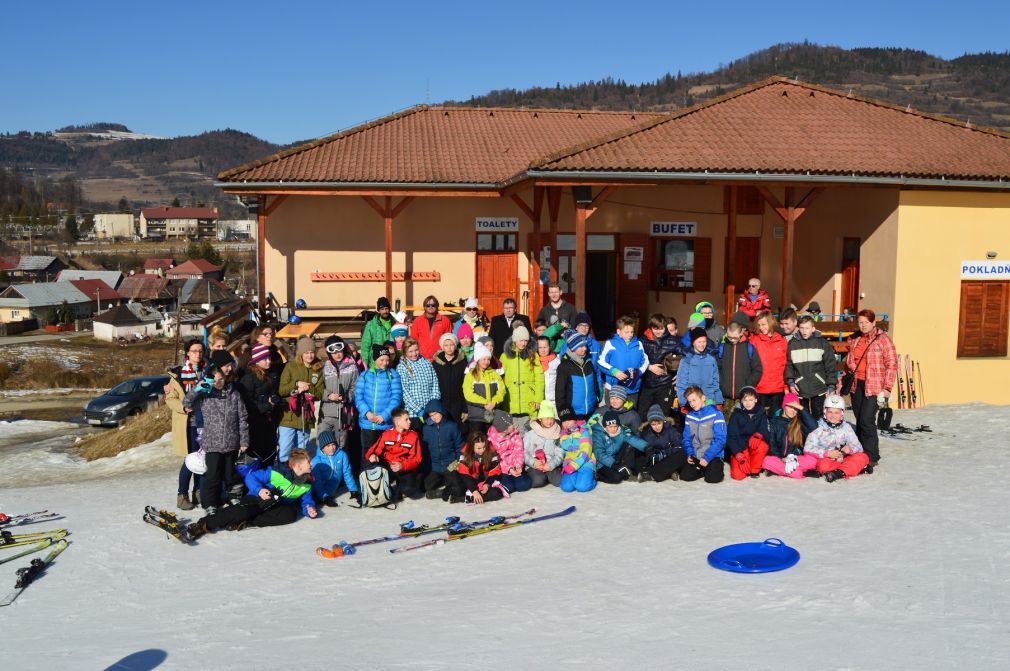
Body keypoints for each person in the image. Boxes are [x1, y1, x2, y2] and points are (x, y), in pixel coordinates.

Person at [186, 448, 318, 538]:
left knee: (290, 515)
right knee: (243, 511)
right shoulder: (277, 473)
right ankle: (202, 524)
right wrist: (259, 490)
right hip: (256, 499)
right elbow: (251, 477)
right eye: (308, 462)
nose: (310, 464)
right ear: (298, 465)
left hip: (274, 506)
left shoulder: (306, 483)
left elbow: (306, 500)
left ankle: (246, 522)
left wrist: (309, 508)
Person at [184, 350, 249, 514]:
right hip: (212, 443)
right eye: (215, 380)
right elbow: (187, 401)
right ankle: (210, 503)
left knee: (230, 473)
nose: (219, 382)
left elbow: (242, 417)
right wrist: (200, 388)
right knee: (212, 475)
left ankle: (233, 496)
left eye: (221, 379)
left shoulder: (233, 393)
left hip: (231, 441)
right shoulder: (206, 394)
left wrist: (244, 440)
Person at [844, 309, 897, 467]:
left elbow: (892, 364)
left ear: (874, 323)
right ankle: (861, 452)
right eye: (860, 322)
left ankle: (872, 455)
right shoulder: (854, 339)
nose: (863, 325)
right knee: (860, 419)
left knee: (867, 419)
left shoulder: (883, 340)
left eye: (866, 322)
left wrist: (887, 388)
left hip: (874, 386)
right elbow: (849, 365)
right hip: (857, 385)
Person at [166, 338, 204, 510]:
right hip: (188, 423)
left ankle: (199, 491)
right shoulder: (179, 374)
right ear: (188, 353)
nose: (198, 354)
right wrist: (183, 407)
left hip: (207, 422)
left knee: (203, 458)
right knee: (190, 459)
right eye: (194, 351)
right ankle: (182, 495)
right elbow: (170, 399)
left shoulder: (206, 372)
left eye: (200, 351)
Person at [354, 344, 403, 468]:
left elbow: (396, 398)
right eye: (382, 360)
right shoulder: (365, 375)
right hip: (368, 423)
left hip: (385, 423)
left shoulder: (393, 375)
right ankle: (368, 480)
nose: (385, 363)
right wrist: (367, 412)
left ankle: (385, 480)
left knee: (386, 453)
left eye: (387, 360)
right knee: (368, 452)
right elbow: (358, 396)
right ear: (375, 359)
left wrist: (385, 415)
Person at [277, 336, 324, 462]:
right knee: (285, 451)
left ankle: (299, 479)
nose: (309, 356)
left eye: (312, 352)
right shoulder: (291, 366)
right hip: (288, 417)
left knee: (301, 453)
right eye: (306, 353)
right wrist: (296, 384)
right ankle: (282, 477)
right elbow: (282, 390)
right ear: (301, 353)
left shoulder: (318, 369)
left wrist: (309, 390)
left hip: (306, 418)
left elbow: (319, 393)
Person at [803, 395, 870, 482]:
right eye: (830, 412)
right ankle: (853, 470)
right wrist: (827, 454)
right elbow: (807, 448)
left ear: (842, 413)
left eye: (836, 413)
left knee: (863, 457)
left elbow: (858, 447)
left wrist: (849, 449)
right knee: (823, 465)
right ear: (825, 412)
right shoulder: (817, 427)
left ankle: (838, 473)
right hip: (826, 459)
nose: (833, 415)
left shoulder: (846, 427)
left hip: (843, 458)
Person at [237, 342, 282, 466]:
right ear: (257, 361)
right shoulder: (248, 378)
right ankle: (255, 482)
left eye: (269, 358)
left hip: (269, 421)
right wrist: (268, 405)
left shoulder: (270, 375)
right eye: (265, 359)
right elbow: (247, 404)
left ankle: (269, 479)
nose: (268, 361)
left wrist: (276, 401)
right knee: (258, 455)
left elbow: (273, 394)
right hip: (255, 424)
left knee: (270, 452)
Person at [785, 315, 838, 419]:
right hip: (800, 387)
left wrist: (831, 385)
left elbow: (830, 365)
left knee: (818, 418)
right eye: (801, 328)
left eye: (807, 328)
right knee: (803, 418)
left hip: (818, 387)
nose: (804, 331)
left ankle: (818, 435)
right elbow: (789, 365)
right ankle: (804, 436)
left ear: (813, 328)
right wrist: (790, 382)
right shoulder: (792, 344)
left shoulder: (822, 343)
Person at [364, 408, 424, 500]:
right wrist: (372, 455)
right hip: (389, 465)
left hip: (403, 467)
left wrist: (402, 465)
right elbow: (374, 449)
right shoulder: (387, 434)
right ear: (397, 421)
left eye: (409, 419)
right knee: (372, 462)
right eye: (406, 419)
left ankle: (402, 487)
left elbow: (416, 459)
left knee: (410, 489)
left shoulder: (413, 436)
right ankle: (384, 488)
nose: (410, 422)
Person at [317, 335, 359, 462]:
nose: (337, 355)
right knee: (322, 444)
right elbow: (318, 388)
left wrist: (347, 396)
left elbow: (356, 387)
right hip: (327, 414)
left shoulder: (352, 366)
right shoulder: (324, 367)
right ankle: (321, 473)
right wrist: (328, 395)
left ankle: (339, 476)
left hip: (343, 414)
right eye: (334, 352)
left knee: (340, 445)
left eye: (339, 351)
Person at [763, 393, 819, 479]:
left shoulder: (799, 422)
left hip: (796, 458)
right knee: (765, 461)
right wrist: (782, 458)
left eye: (796, 409)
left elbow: (814, 427)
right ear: (784, 406)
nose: (793, 411)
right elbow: (772, 444)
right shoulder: (774, 422)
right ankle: (801, 472)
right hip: (779, 458)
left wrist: (802, 408)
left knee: (813, 461)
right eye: (790, 407)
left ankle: (780, 470)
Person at [638, 313, 682, 419]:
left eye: (661, 328)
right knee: (642, 414)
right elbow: (635, 359)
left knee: (664, 415)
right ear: (651, 327)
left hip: (665, 383)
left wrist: (681, 375)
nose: (658, 331)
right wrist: (649, 366)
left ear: (665, 327)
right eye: (655, 328)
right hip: (647, 383)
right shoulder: (642, 340)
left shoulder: (673, 340)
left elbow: (686, 358)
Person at [421, 399, 465, 502]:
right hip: (434, 466)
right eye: (431, 415)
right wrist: (426, 467)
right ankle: (443, 482)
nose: (434, 417)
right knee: (424, 486)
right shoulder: (426, 428)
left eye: (435, 414)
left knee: (458, 486)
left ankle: (442, 491)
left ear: (441, 411)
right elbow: (424, 449)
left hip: (450, 465)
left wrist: (457, 463)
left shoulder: (452, 426)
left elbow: (460, 447)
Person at [681, 386, 727, 483]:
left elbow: (720, 440)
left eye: (694, 400)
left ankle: (713, 467)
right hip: (696, 454)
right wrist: (690, 453)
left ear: (703, 398)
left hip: (713, 455)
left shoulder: (716, 414)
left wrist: (707, 458)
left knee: (713, 478)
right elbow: (686, 438)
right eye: (690, 401)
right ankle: (702, 470)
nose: (692, 404)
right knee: (685, 476)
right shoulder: (690, 416)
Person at [598, 315, 648, 404]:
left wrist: (639, 372)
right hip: (614, 389)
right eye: (626, 332)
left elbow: (645, 361)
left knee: (630, 416)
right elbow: (601, 362)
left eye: (632, 332)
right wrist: (614, 371)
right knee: (613, 416)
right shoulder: (610, 343)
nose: (630, 334)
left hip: (632, 389)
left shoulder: (638, 344)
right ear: (618, 331)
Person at [501, 325, 544, 427]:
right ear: (515, 340)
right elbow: (500, 378)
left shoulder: (533, 355)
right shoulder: (505, 356)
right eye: (521, 340)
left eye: (526, 340)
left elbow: (539, 378)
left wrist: (538, 399)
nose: (523, 343)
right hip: (510, 398)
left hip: (529, 399)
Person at [590, 410, 649, 484]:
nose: (613, 429)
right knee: (617, 478)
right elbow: (600, 454)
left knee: (630, 445)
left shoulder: (621, 430)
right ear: (605, 426)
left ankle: (630, 469)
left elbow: (632, 439)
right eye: (610, 427)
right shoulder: (598, 434)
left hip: (616, 458)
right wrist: (614, 464)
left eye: (615, 426)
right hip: (602, 463)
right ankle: (598, 476)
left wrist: (647, 447)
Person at [725, 387, 771, 480]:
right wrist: (738, 454)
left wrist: (759, 435)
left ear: (756, 400)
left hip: (754, 445)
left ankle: (755, 469)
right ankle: (744, 459)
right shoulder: (736, 414)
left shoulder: (761, 412)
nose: (748, 403)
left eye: (751, 399)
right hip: (740, 448)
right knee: (738, 476)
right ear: (741, 401)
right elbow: (731, 437)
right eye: (745, 400)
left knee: (763, 445)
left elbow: (767, 431)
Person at [717, 321, 762, 416]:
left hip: (743, 397)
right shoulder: (723, 348)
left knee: (742, 425)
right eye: (729, 337)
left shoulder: (749, 348)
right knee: (725, 425)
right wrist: (721, 384)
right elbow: (716, 369)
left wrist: (748, 385)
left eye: (735, 337)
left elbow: (757, 369)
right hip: (725, 396)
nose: (732, 340)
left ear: (741, 332)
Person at [396, 337, 441, 432]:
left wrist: (433, 404)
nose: (414, 354)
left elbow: (435, 383)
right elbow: (405, 392)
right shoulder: (402, 367)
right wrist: (419, 410)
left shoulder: (426, 363)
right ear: (405, 352)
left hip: (430, 411)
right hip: (413, 414)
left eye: (416, 350)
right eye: (410, 351)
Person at [461, 342, 506, 434]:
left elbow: (502, 390)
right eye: (483, 359)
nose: (486, 362)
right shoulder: (470, 375)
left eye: (488, 359)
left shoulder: (494, 374)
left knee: (491, 440)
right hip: (476, 415)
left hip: (492, 414)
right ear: (478, 360)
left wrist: (494, 402)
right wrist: (485, 403)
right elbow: (468, 394)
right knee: (477, 440)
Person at [637, 404, 689, 482]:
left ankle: (654, 474)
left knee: (683, 453)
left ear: (663, 421)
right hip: (655, 460)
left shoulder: (671, 431)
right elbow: (645, 450)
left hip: (669, 457)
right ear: (649, 424)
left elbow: (679, 447)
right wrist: (652, 454)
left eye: (659, 423)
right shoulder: (646, 434)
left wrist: (664, 454)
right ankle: (669, 473)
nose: (656, 427)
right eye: (653, 424)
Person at [675, 328, 724, 411]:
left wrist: (719, 401)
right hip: (692, 401)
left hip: (709, 400)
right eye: (699, 342)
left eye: (704, 342)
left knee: (708, 423)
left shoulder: (711, 359)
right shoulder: (686, 360)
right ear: (693, 343)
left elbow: (715, 382)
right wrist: (683, 403)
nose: (702, 344)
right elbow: (681, 382)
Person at [750, 311, 788, 416]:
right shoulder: (754, 340)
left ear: (770, 323)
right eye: (759, 325)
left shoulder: (782, 341)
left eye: (764, 324)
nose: (761, 328)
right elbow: (751, 364)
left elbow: (786, 364)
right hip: (760, 387)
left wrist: (786, 386)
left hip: (778, 388)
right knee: (760, 417)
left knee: (775, 417)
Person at [554, 332, 598, 422]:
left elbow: (595, 384)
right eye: (581, 346)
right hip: (573, 415)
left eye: (585, 346)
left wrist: (596, 399)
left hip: (590, 411)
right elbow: (559, 393)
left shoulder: (588, 363)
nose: (585, 349)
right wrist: (565, 415)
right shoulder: (564, 366)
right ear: (573, 348)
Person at [311, 430, 359, 507]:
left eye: (333, 444)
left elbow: (347, 473)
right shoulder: (316, 461)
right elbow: (317, 482)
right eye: (328, 446)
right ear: (322, 448)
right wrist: (324, 497)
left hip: (331, 490)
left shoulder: (342, 455)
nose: (332, 448)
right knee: (313, 500)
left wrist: (353, 490)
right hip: (316, 489)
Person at [487, 412, 532, 494]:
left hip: (515, 465)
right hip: (503, 469)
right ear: (504, 428)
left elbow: (519, 451)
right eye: (511, 423)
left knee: (523, 485)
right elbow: (498, 459)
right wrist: (509, 469)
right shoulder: (493, 440)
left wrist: (518, 465)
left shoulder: (515, 434)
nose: (513, 424)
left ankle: (523, 477)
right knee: (509, 487)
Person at [457, 431, 507, 504]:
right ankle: (471, 496)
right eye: (479, 448)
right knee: (458, 489)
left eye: (484, 447)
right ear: (471, 446)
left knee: (497, 493)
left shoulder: (491, 451)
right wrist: (474, 491)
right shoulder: (465, 453)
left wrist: (487, 484)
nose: (482, 450)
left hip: (485, 480)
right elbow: (464, 475)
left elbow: (495, 472)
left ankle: (469, 498)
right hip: (470, 481)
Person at [523, 400, 564, 488]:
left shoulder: (557, 432)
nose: (550, 422)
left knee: (559, 481)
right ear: (540, 418)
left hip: (549, 463)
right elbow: (524, 451)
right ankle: (539, 477)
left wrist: (551, 464)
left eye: (552, 418)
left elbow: (560, 453)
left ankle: (548, 476)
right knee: (538, 480)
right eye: (546, 418)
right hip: (534, 464)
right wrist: (533, 462)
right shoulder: (531, 432)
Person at [433, 333, 468, 426]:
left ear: (456, 345)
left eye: (452, 344)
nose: (449, 348)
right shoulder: (436, 364)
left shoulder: (462, 363)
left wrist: (465, 408)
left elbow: (467, 386)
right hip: (442, 404)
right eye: (446, 345)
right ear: (442, 347)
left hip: (458, 404)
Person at [409, 295, 453, 360]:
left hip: (440, 358)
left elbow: (449, 339)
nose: (430, 307)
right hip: (422, 358)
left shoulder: (445, 320)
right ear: (424, 307)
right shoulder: (417, 321)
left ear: (437, 306)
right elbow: (413, 340)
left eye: (433, 305)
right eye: (428, 305)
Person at [558, 419, 596, 493]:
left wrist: (574, 465)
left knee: (582, 487)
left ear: (574, 419)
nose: (566, 423)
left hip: (585, 462)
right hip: (570, 464)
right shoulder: (563, 434)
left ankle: (593, 477)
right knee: (566, 487)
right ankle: (579, 478)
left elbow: (586, 451)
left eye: (568, 420)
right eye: (564, 421)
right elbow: (563, 451)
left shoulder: (583, 430)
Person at [361, 296, 394, 368]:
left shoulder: (394, 323)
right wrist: (365, 362)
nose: (385, 311)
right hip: (374, 362)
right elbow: (365, 345)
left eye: (386, 309)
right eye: (382, 309)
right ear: (379, 310)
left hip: (390, 362)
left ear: (389, 309)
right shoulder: (371, 325)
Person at [537, 335, 559, 401]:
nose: (543, 350)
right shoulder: (534, 362)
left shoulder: (556, 361)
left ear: (549, 347)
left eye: (545, 347)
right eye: (540, 347)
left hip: (554, 400)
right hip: (540, 400)